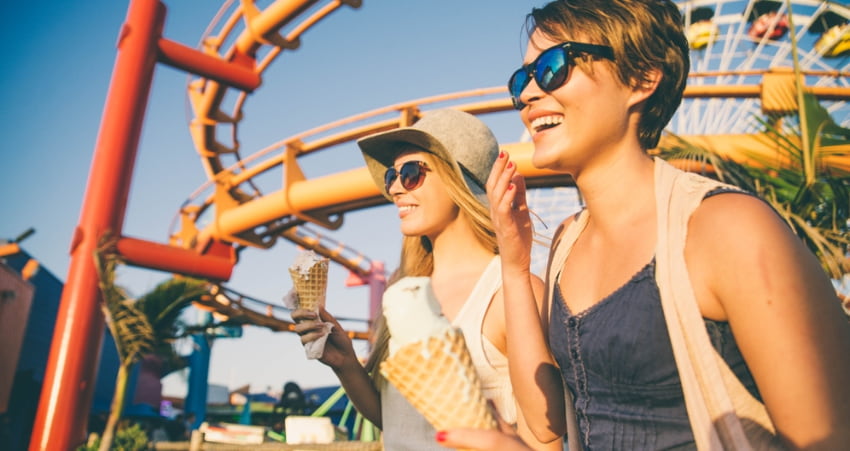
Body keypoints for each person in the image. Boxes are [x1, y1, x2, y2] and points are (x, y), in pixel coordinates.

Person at [484, 0, 850, 450]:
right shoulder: (566, 242)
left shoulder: (726, 228)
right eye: (522, 79)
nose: (528, 94)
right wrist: (515, 265)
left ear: (641, 77)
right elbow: (545, 426)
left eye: (553, 66)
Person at [291, 108, 560, 450]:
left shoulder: (510, 290)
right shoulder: (403, 290)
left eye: (411, 173)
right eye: (392, 176)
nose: (396, 190)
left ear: (458, 180)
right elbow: (402, 422)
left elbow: (546, 437)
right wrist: (345, 365)